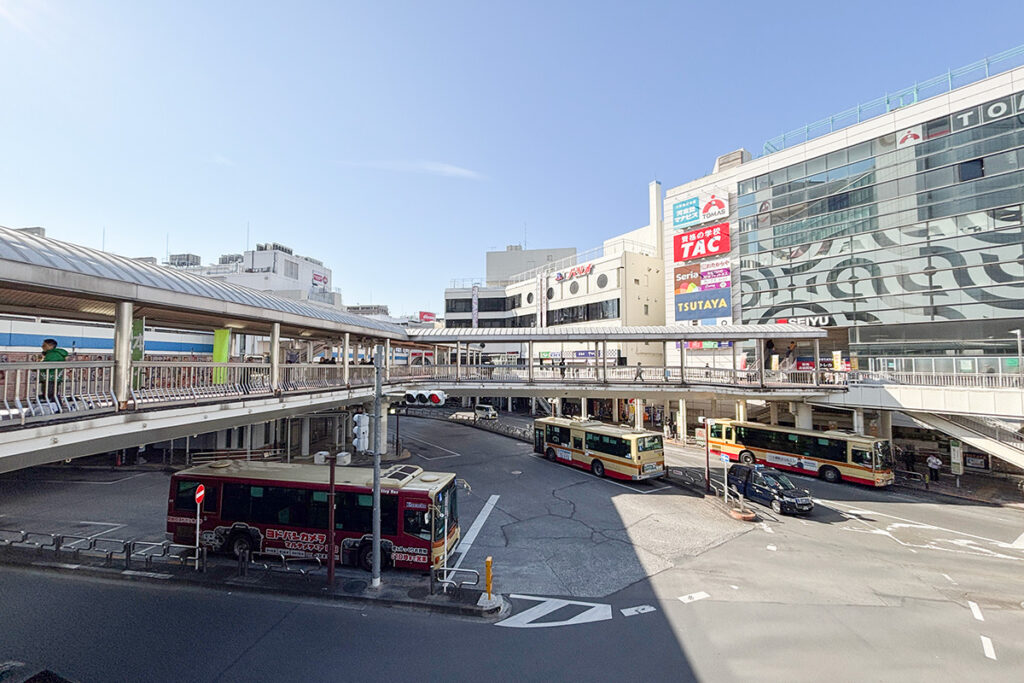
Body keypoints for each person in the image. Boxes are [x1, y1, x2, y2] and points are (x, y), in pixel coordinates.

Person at [39, 338, 68, 411]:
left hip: (50, 377)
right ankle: (56, 408)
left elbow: (46, 365)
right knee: (52, 393)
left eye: (44, 345)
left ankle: (56, 408)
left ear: (50, 346)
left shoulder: (52, 355)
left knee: (50, 394)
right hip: (54, 377)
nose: (42, 347)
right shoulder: (54, 354)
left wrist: (37, 366)